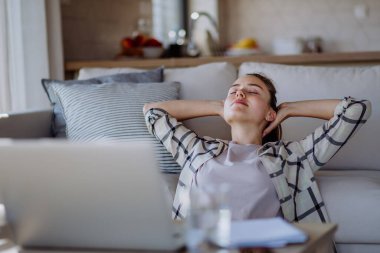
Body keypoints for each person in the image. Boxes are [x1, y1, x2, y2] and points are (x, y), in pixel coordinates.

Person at [143, 73, 371, 224]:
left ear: (270, 114)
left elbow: (356, 109)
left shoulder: (292, 157)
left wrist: (289, 108)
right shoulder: (197, 150)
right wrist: (216, 106)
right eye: (233, 91)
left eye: (252, 91)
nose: (239, 93)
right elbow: (152, 112)